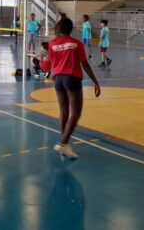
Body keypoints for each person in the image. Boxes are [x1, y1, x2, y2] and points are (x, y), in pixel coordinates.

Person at [40, 17, 100, 159]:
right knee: (75, 113)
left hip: (58, 79)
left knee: (64, 112)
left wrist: (42, 59)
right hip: (71, 78)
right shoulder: (76, 44)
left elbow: (49, 65)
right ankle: (63, 143)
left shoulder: (52, 44)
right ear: (70, 29)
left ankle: (64, 144)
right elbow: (85, 64)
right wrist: (95, 82)